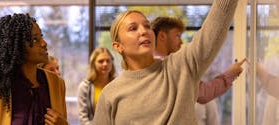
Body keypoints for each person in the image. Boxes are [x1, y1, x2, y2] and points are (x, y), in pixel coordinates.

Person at [93, 0, 240, 124]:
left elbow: (216, 24)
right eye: (133, 28)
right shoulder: (110, 93)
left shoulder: (182, 66)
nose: (144, 31)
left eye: (147, 26)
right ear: (118, 46)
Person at [0, 13, 68, 125]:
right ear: (15, 46)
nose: (44, 43)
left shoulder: (56, 83)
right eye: (34, 40)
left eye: (41, 37)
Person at [151, 16, 244, 125]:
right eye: (177, 36)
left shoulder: (142, 68)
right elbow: (205, 93)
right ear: (162, 36)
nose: (181, 42)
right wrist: (231, 73)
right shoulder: (176, 68)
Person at [77, 47, 116, 125]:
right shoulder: (84, 87)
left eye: (108, 61)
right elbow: (83, 117)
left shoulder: (117, 84)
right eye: (101, 61)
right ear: (93, 64)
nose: (105, 64)